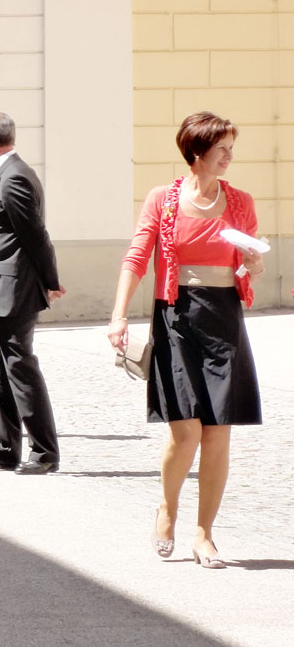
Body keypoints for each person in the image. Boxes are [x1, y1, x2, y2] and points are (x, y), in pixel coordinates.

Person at [108, 111, 262, 568]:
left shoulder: (241, 202)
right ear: (197, 153)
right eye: (222, 150)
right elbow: (137, 257)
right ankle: (168, 508)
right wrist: (119, 316)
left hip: (224, 319)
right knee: (187, 429)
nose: (229, 157)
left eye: (231, 148)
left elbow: (249, 266)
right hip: (176, 316)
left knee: (218, 433)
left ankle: (204, 534)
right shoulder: (164, 199)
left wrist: (253, 264)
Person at [0, 110, 63, 475]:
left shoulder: (15, 176)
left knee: (20, 368)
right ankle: (6, 446)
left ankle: (44, 451)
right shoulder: (0, 174)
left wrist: (51, 279)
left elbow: (36, 235)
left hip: (12, 289)